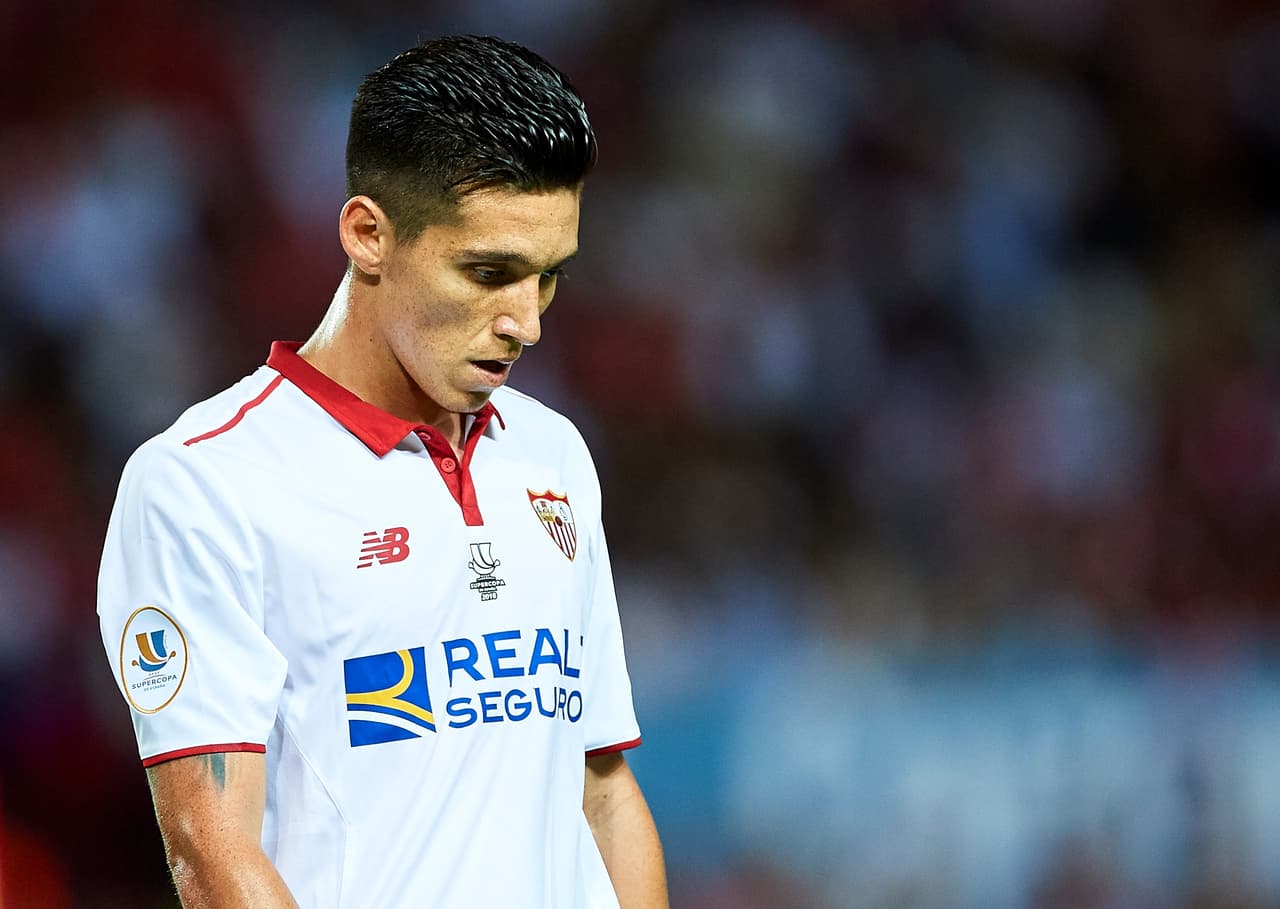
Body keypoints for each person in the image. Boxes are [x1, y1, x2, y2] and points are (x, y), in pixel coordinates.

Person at [96, 34, 668, 908]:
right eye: (488, 272)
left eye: (549, 278)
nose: (527, 323)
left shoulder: (553, 452)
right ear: (369, 234)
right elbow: (212, 856)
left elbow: (602, 791)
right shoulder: (202, 483)